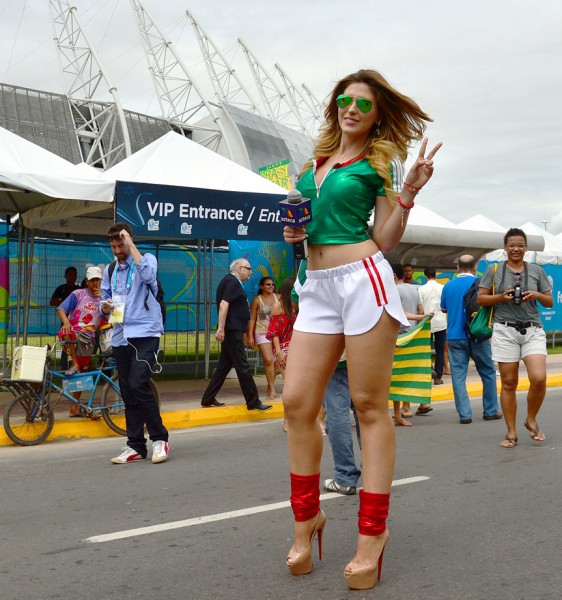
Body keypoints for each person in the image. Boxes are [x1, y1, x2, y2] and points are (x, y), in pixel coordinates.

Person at [282, 68, 441, 590]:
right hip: (315, 286)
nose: (351, 109)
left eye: (363, 104)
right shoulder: (311, 165)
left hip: (362, 280)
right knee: (297, 405)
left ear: (376, 115)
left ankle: (373, 534)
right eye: (344, 100)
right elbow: (305, 228)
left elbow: (387, 238)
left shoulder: (377, 164)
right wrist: (293, 235)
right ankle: (308, 519)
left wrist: (408, 193)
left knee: (369, 407)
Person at [101, 222, 169, 465]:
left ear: (128, 241)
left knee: (139, 384)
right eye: (114, 246)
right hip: (121, 335)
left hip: (146, 332)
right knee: (128, 391)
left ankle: (160, 438)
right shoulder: (110, 270)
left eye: (121, 245)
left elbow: (148, 275)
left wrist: (131, 245)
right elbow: (104, 298)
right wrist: (105, 306)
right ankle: (135, 445)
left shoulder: (146, 258)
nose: (118, 250)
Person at [478, 228, 553, 448]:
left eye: (520, 245)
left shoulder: (537, 271)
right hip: (504, 330)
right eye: (512, 245)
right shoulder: (494, 270)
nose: (516, 249)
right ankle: (511, 432)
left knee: (538, 378)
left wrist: (537, 295)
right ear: (505, 247)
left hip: (532, 329)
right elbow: (481, 299)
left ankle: (531, 418)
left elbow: (549, 302)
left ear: (526, 248)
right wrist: (501, 297)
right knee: (509, 382)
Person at [201, 258, 272, 412]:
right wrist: (221, 328)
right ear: (240, 269)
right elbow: (224, 304)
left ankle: (208, 398)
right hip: (232, 332)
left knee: (224, 367)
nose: (250, 272)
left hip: (233, 330)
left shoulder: (231, 282)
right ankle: (253, 401)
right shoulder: (232, 282)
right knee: (243, 366)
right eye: (248, 268)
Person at [440, 255, 501, 424]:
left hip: (454, 336)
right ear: (475, 267)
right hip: (478, 335)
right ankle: (490, 410)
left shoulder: (448, 286)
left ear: (458, 267)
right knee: (488, 372)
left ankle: (465, 415)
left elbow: (444, 308)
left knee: (458, 376)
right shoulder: (482, 285)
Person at [56, 266, 103, 417]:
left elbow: (111, 318)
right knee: (66, 332)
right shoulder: (78, 294)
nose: (96, 283)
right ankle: (74, 362)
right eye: (92, 280)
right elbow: (61, 309)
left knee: (83, 373)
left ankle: (74, 407)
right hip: (74, 334)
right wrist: (66, 323)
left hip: (89, 339)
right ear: (87, 282)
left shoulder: (105, 297)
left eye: (98, 280)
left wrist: (103, 300)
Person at [391, 262, 428, 425]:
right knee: (407, 373)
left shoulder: (393, 291)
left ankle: (400, 412)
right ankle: (407, 408)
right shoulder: (414, 289)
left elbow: (396, 313)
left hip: (396, 337)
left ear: (392, 275)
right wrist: (420, 321)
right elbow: (421, 311)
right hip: (412, 336)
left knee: (394, 376)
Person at [323, 358, 362, 496]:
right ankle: (374, 472)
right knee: (370, 413)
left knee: (337, 411)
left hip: (337, 358)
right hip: (367, 354)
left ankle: (345, 476)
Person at [266, 276, 297, 431]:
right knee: (289, 384)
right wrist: (278, 352)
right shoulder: (278, 306)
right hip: (284, 347)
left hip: (299, 346)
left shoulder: (299, 306)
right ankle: (287, 419)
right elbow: (274, 332)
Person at [248, 276, 280, 400]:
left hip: (276, 334)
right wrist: (250, 335)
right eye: (268, 284)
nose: (271, 286)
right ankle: (272, 389)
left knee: (275, 361)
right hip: (261, 332)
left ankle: (270, 386)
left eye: (272, 284)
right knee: (268, 360)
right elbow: (252, 318)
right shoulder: (257, 300)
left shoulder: (278, 298)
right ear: (261, 287)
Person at [418, 267, 447, 385]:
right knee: (440, 350)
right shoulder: (443, 288)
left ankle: (429, 372)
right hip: (441, 323)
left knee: (426, 349)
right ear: (436, 275)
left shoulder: (421, 289)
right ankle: (438, 377)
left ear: (425, 276)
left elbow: (420, 308)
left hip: (427, 321)